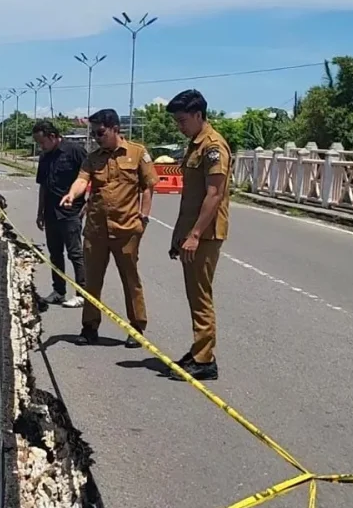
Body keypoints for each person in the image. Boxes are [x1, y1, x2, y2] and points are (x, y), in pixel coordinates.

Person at [59, 108, 158, 347]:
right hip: (96, 230)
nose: (96, 137)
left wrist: (143, 217)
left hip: (126, 229)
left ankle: (136, 328)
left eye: (100, 132)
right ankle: (89, 327)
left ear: (115, 129)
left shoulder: (137, 153)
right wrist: (72, 194)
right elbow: (83, 179)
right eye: (94, 133)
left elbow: (148, 186)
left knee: (130, 279)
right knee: (92, 280)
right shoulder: (93, 157)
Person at [167, 89, 231, 381]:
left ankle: (204, 359)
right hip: (192, 232)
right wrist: (178, 237)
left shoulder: (213, 146)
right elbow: (189, 199)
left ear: (198, 115)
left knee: (201, 295)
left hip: (204, 234)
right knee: (195, 294)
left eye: (182, 120)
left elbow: (214, 194)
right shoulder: (195, 144)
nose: (179, 126)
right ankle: (199, 351)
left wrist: (193, 235)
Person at [33, 120, 87, 308]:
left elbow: (90, 177)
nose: (41, 146)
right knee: (55, 254)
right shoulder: (44, 157)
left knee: (75, 254)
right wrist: (40, 212)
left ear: (53, 136)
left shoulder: (74, 151)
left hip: (70, 212)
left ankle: (81, 293)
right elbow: (43, 186)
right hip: (50, 212)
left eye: (42, 142)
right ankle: (59, 291)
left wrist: (87, 204)